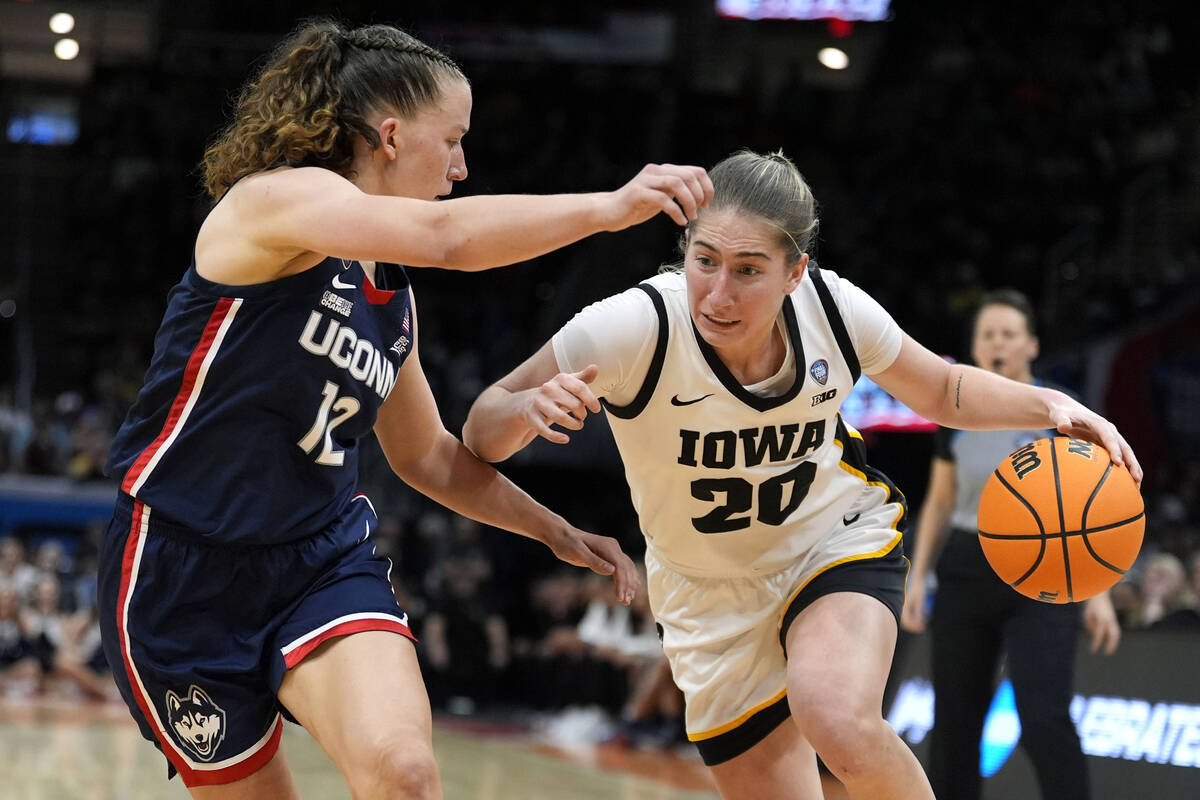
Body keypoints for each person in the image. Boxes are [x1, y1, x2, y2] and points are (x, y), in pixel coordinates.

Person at [96, 19, 711, 800]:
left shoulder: (389, 297)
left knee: (407, 775)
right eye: (451, 139)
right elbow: (447, 235)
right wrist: (610, 207)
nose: (461, 165)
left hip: (316, 560)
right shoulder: (274, 203)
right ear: (390, 134)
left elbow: (426, 457)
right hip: (180, 569)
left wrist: (556, 531)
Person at [463, 149, 1141, 800]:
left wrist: (1051, 406)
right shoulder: (631, 327)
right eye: (705, 261)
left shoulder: (834, 310)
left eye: (749, 270)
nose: (718, 293)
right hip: (707, 599)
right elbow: (481, 428)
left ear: (795, 273)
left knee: (837, 719)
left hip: (831, 544)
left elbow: (941, 390)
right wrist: (526, 409)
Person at [899, 289, 1122, 800]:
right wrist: (920, 575)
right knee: (954, 721)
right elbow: (938, 501)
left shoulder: (1063, 415)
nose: (997, 343)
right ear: (975, 349)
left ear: (1032, 345)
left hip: (1045, 572)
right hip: (965, 565)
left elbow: (1093, 512)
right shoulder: (953, 416)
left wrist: (1098, 592)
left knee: (1043, 716)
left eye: (1008, 334)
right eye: (987, 335)